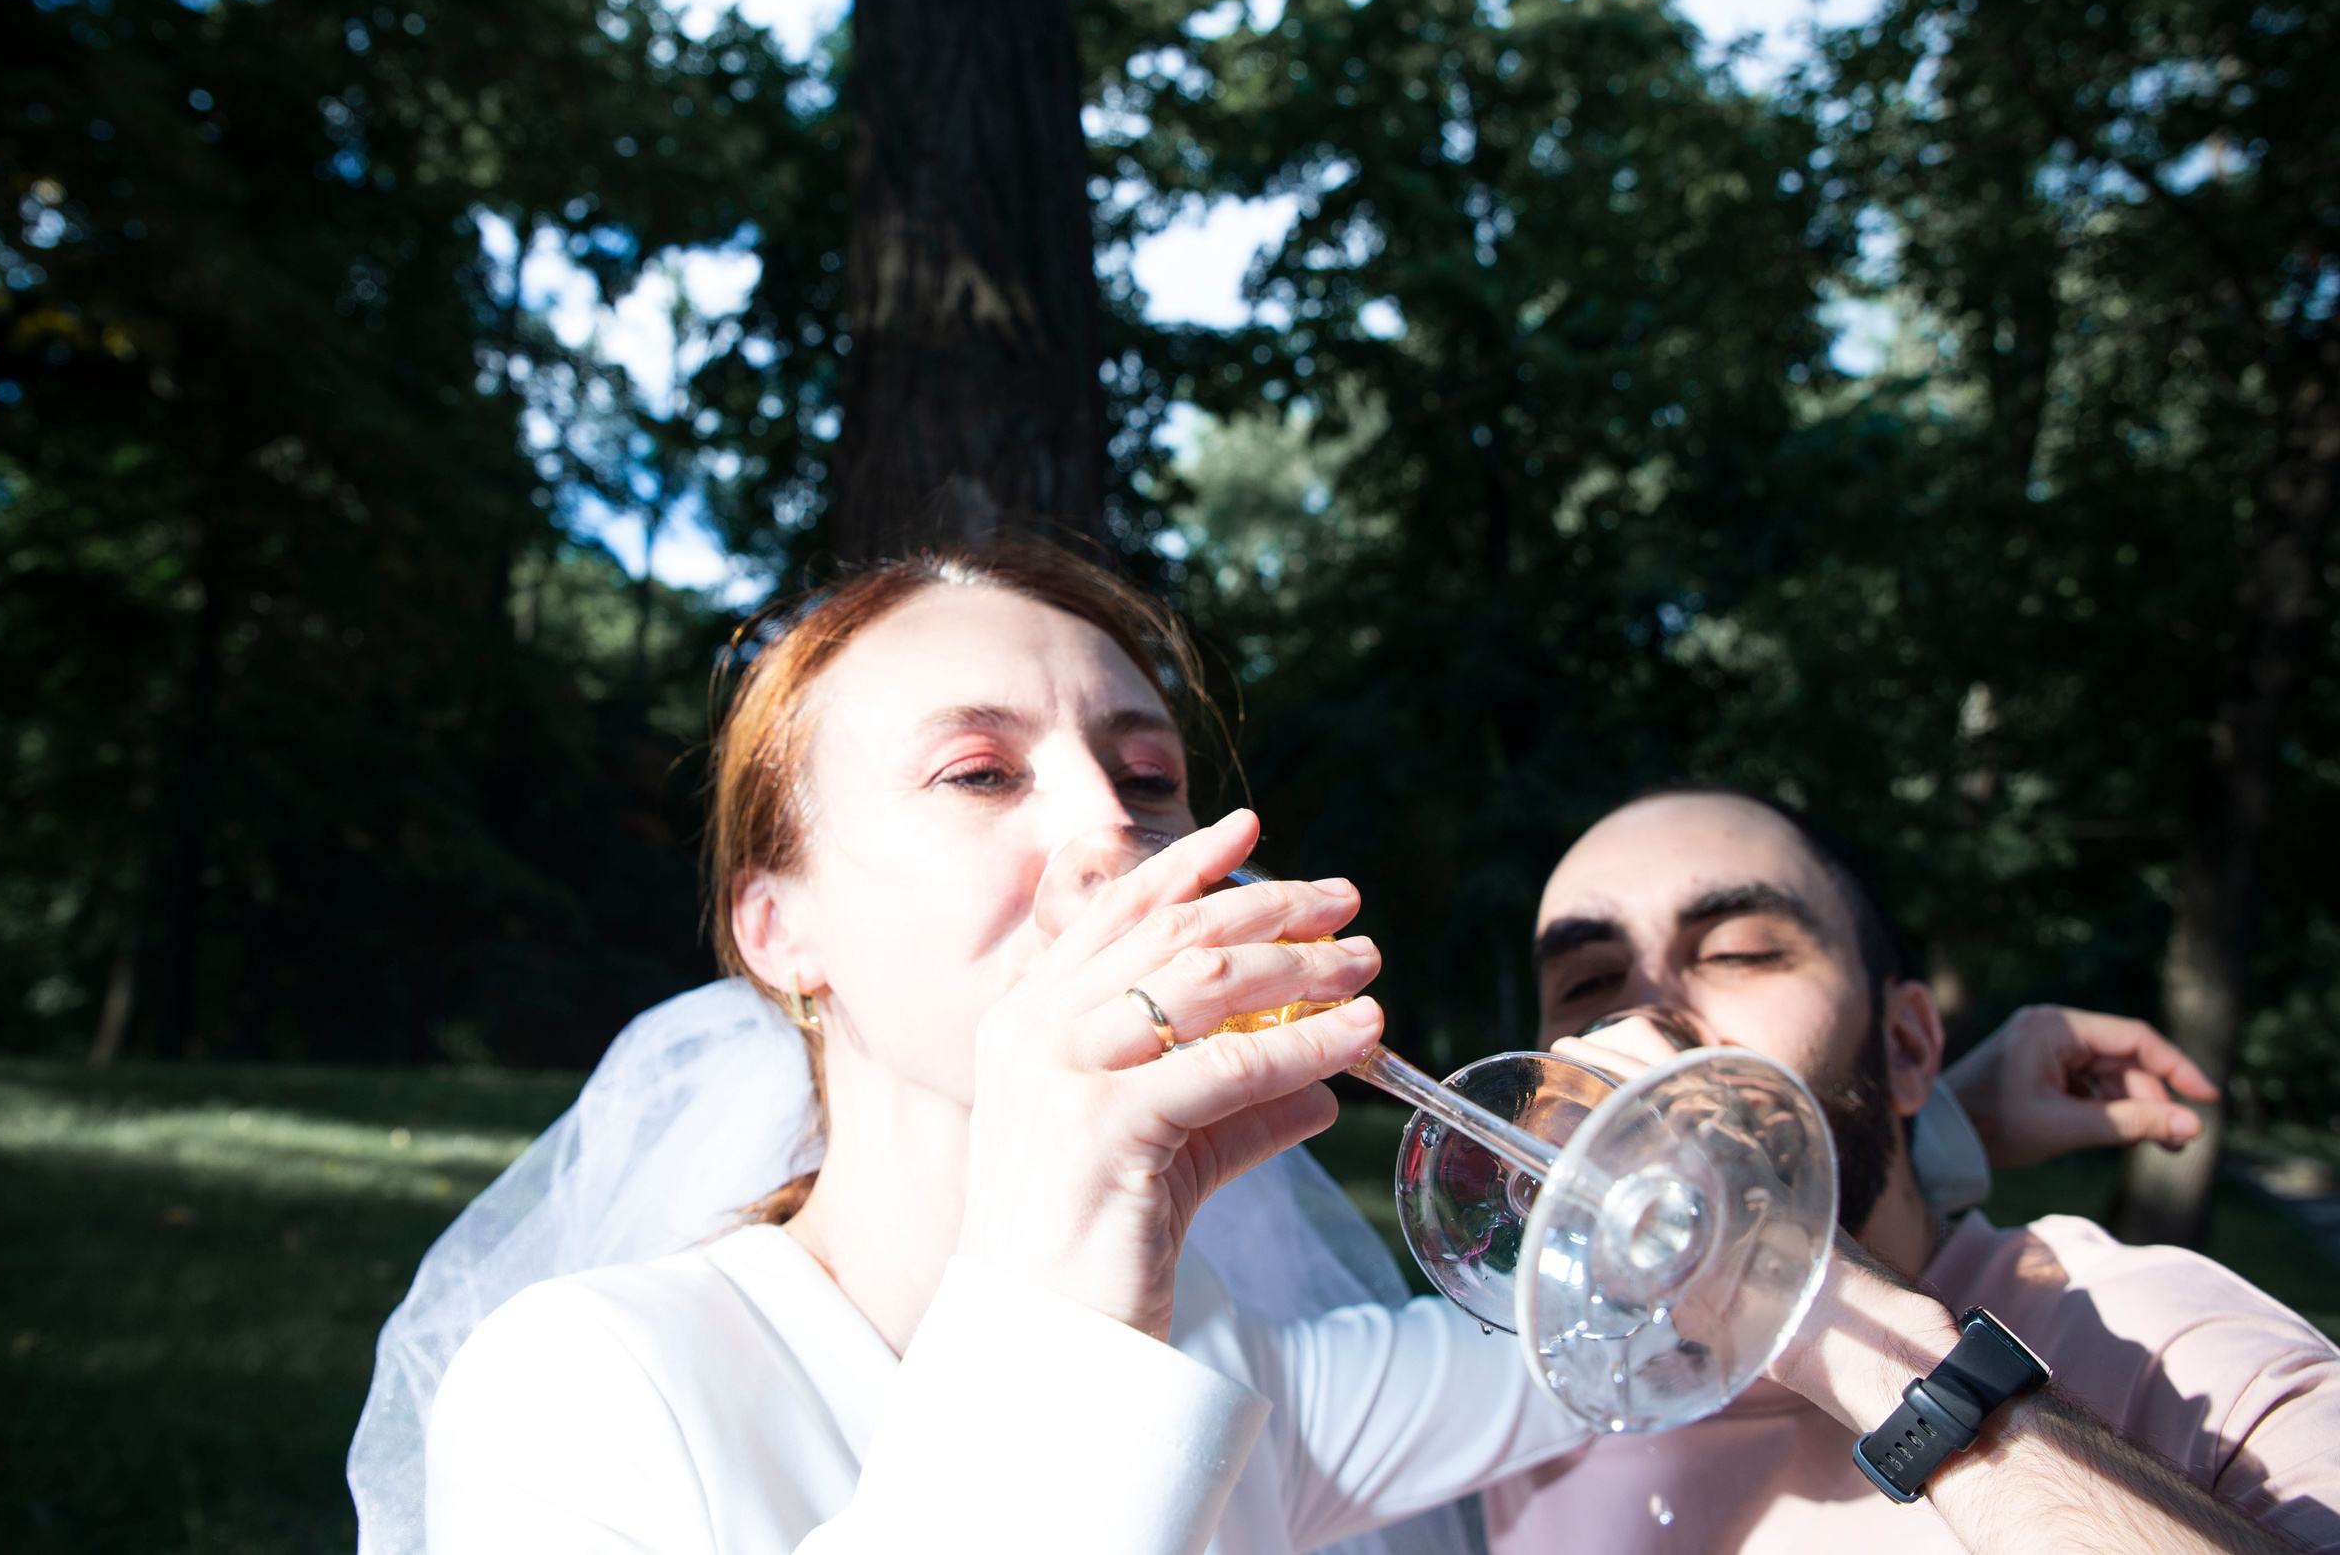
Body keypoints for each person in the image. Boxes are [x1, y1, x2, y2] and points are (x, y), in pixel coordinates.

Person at [358, 543, 2310, 1555]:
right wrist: (1079, 1199)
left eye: (1143, 770)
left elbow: (1653, 1273)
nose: (1113, 828)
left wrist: (1931, 1115)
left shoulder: (1255, 1386)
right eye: (976, 769)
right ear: (775, 929)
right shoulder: (585, 1382)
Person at [1483, 785, 2340, 1553]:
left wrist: (1818, 1305)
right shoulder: (1507, 1420)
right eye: (1591, 980)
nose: (1644, 1020)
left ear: (1904, 1046)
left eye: (1738, 953)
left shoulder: (2171, 1350)